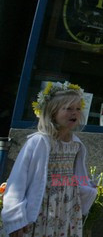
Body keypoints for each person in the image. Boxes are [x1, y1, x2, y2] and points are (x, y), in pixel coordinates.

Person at [1, 81, 97, 237]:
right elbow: (17, 181)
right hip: (42, 205)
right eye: (68, 109)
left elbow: (76, 173)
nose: (75, 113)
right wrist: (16, 219)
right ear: (53, 113)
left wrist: (87, 189)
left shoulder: (75, 144)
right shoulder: (40, 141)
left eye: (78, 109)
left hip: (67, 205)